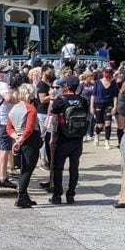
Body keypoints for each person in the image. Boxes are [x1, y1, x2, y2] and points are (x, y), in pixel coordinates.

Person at [48, 75, 88, 204]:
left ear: (66, 86)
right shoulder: (83, 100)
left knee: (58, 167)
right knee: (74, 167)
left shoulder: (60, 100)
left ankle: (57, 195)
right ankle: (70, 195)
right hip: (77, 139)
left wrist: (52, 137)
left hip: (62, 138)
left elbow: (53, 119)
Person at [7, 84, 42, 208]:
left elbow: (9, 127)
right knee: (27, 169)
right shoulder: (30, 109)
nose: (34, 96)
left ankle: (24, 195)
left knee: (23, 168)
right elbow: (30, 128)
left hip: (18, 138)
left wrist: (15, 137)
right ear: (29, 95)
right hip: (29, 140)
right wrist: (20, 139)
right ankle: (21, 196)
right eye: (32, 93)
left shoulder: (14, 108)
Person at [0, 61, 18, 188]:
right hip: (3, 120)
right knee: (5, 149)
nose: (7, 74)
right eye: (5, 72)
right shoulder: (2, 85)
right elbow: (7, 98)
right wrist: (18, 102)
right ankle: (3, 177)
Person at [90, 66, 118, 149]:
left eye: (109, 72)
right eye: (106, 72)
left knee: (108, 123)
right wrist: (91, 106)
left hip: (109, 104)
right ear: (103, 73)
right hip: (99, 104)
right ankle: (97, 135)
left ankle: (107, 142)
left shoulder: (113, 83)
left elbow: (115, 96)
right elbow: (93, 95)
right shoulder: (97, 83)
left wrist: (115, 107)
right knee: (100, 125)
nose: (107, 74)